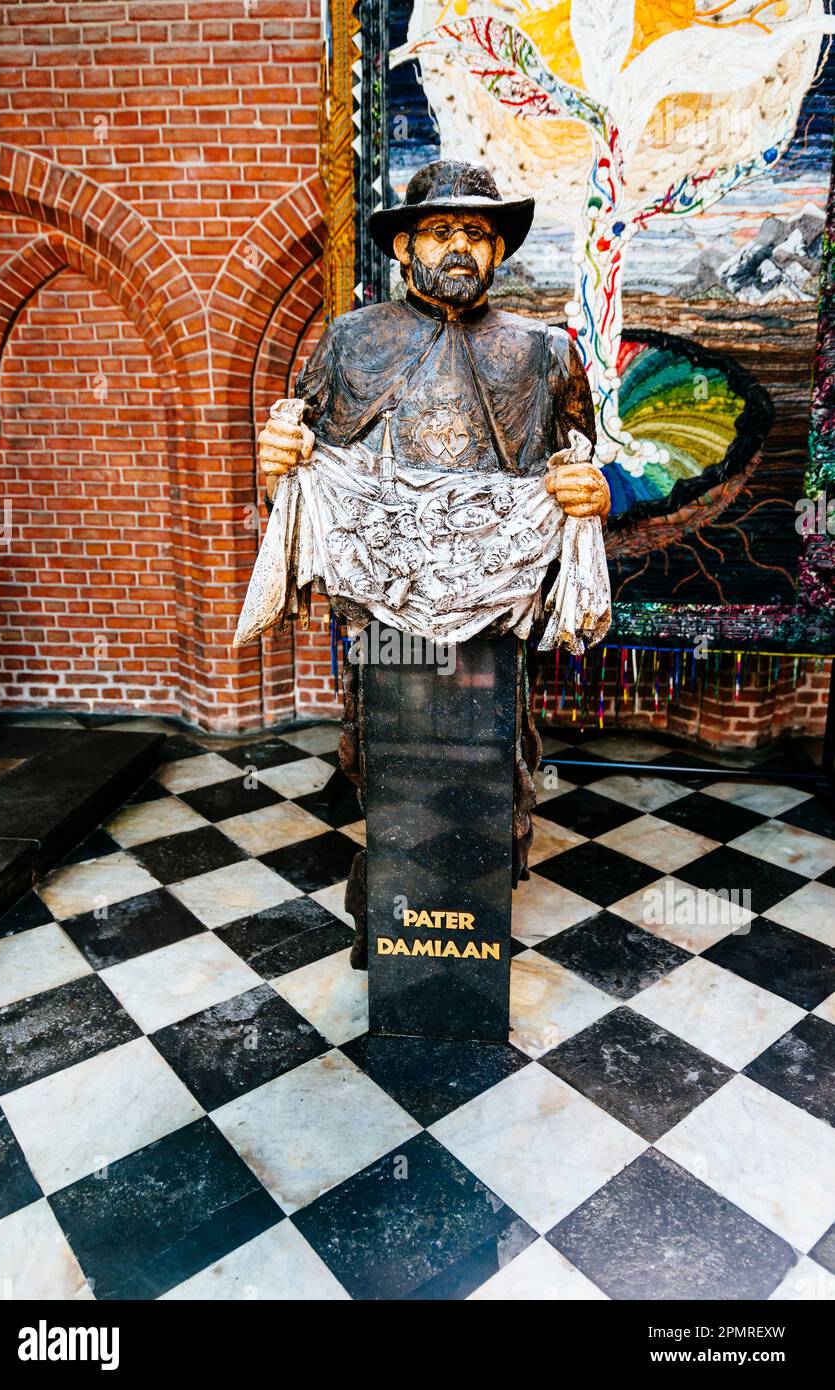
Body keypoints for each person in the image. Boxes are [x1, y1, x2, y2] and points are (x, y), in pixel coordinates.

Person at [256, 160, 610, 967]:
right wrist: (274, 463)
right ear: (405, 244)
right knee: (390, 761)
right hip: (385, 613)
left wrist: (593, 496)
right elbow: (287, 486)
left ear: (498, 252)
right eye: (442, 231)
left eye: (477, 234)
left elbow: (581, 477)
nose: (460, 248)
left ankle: (464, 910)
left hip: (495, 611)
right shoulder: (350, 340)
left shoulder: (544, 352)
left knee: (482, 764)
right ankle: (393, 905)